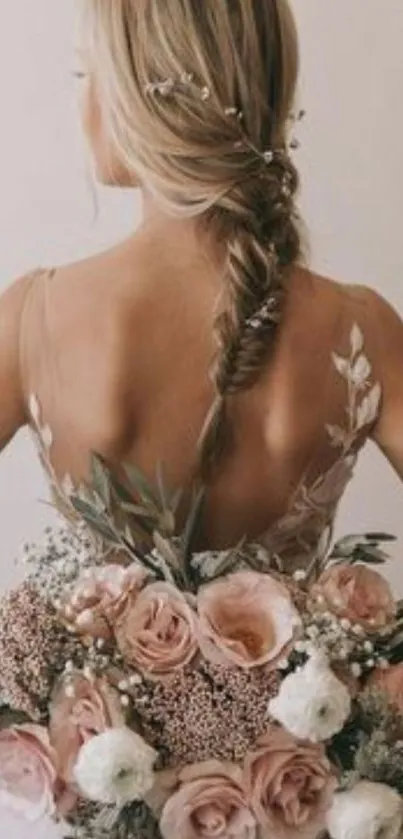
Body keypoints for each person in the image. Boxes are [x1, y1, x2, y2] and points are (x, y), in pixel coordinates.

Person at [0, 0, 403, 573]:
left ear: (139, 98)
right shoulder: (364, 331)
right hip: (319, 666)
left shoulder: (32, 320)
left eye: (85, 73)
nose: (80, 99)